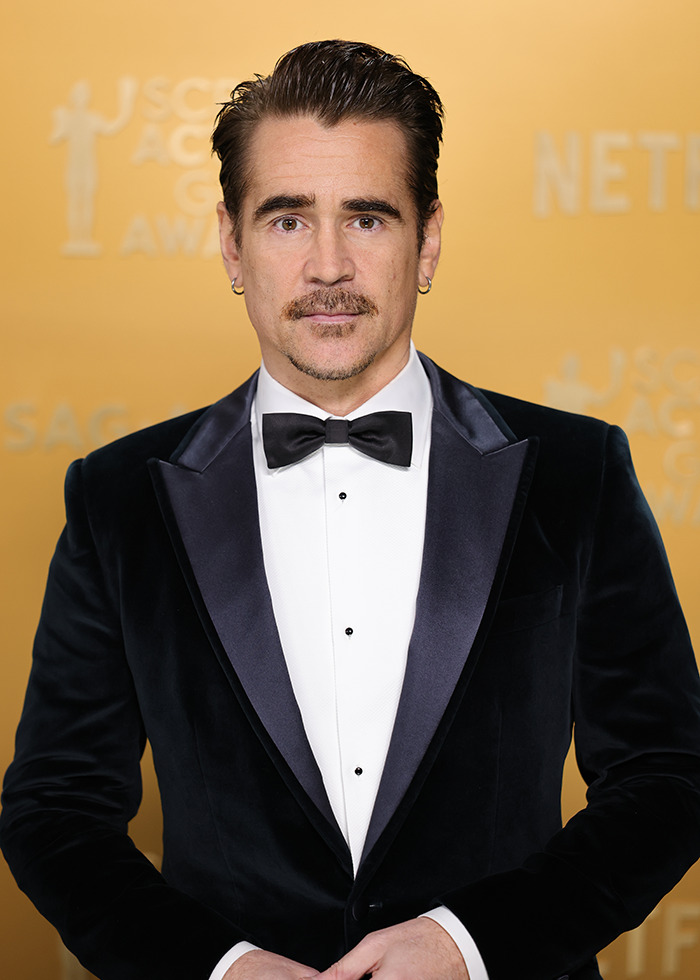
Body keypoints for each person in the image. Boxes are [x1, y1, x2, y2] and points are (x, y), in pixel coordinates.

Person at [2, 39, 700, 980]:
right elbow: (53, 809)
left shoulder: (578, 474)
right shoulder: (119, 497)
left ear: (428, 241)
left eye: (366, 219)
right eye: (288, 220)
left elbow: (669, 775)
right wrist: (218, 967)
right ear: (231, 244)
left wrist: (472, 945)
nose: (328, 266)